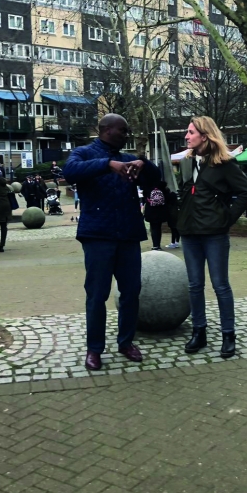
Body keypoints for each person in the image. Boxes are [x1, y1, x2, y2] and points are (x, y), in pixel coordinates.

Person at [63, 113, 160, 371]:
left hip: (128, 234)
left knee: (131, 292)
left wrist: (144, 163)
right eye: (122, 130)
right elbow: (69, 172)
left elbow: (155, 179)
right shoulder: (83, 153)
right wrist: (108, 164)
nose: (126, 135)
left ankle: (126, 342)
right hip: (97, 235)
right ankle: (94, 349)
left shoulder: (128, 158)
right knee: (97, 295)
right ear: (106, 130)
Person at [177, 116, 247, 359]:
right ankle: (199, 332)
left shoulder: (224, 164)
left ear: (205, 135)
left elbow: (245, 193)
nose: (186, 136)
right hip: (190, 233)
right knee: (194, 285)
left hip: (214, 235)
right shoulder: (188, 162)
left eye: (190, 132)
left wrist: (226, 219)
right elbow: (185, 194)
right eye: (187, 132)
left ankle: (228, 335)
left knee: (220, 285)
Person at [144, 181, 169, 251]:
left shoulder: (147, 187)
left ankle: (155, 245)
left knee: (153, 228)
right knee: (158, 228)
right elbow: (167, 198)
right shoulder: (162, 187)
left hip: (151, 211)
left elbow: (145, 197)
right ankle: (158, 244)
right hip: (160, 211)